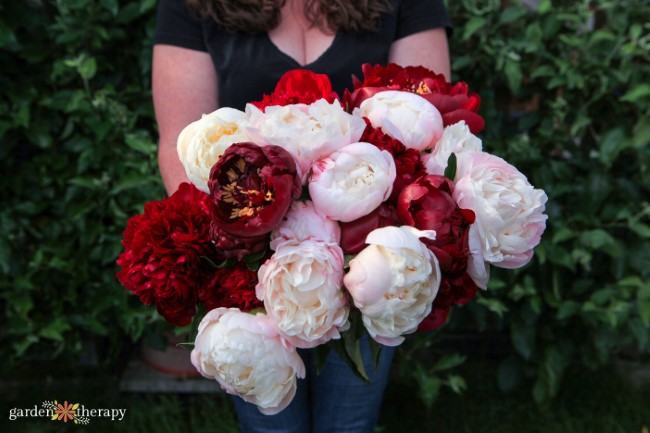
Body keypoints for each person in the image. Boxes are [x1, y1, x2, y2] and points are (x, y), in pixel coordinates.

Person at [152, 0, 452, 431]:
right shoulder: (192, 6)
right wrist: (239, 243)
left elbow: (425, 133)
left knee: (349, 423)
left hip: (369, 265)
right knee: (271, 425)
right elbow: (179, 146)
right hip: (247, 268)